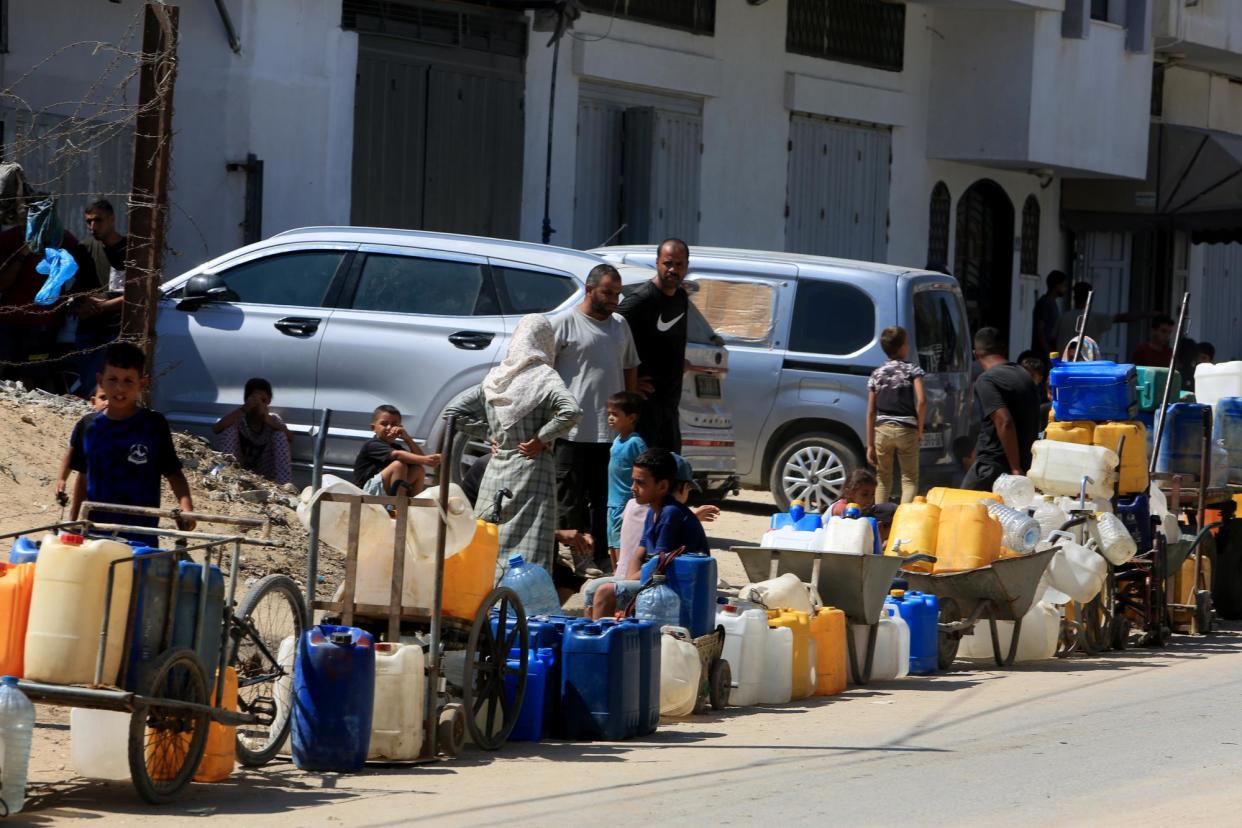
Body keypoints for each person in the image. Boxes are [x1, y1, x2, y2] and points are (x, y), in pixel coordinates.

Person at [444, 314, 582, 582]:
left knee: (490, 538)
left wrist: (489, 433)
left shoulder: (496, 379)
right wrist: (541, 438)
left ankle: (485, 600)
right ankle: (522, 607)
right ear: (545, 342)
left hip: (496, 472)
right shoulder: (545, 377)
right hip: (533, 472)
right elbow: (571, 411)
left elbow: (453, 413)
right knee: (529, 546)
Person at [553, 263, 639, 575]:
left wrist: (631, 413)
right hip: (572, 431)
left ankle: (603, 555)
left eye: (618, 293)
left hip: (611, 433)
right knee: (570, 497)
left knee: (607, 498)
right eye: (608, 292)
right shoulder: (564, 323)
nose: (615, 299)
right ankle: (577, 557)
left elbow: (630, 367)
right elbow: (545, 371)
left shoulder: (620, 326)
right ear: (590, 290)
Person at [68, 341, 195, 539]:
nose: (120, 388)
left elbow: (174, 474)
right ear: (100, 381)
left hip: (140, 536)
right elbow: (83, 477)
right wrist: (74, 524)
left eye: (128, 380)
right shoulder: (88, 426)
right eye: (113, 379)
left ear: (141, 384)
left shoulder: (153, 425)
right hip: (95, 533)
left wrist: (187, 509)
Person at [587, 450, 710, 621]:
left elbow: (658, 565)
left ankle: (600, 644)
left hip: (674, 588)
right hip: (651, 579)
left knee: (605, 592)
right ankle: (587, 638)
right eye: (633, 481)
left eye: (640, 483)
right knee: (592, 589)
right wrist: (628, 582)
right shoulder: (653, 510)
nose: (633, 488)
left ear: (662, 486)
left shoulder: (670, 513)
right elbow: (639, 554)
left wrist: (626, 586)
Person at [616, 238, 690, 452]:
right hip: (644, 407)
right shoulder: (640, 300)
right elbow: (607, 335)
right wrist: (630, 380)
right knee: (645, 471)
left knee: (669, 471)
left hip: (671, 404)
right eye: (667, 263)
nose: (672, 269)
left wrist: (679, 361)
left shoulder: (681, 297)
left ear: (686, 266)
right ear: (657, 263)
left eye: (679, 264)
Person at [0, 223, 94, 390]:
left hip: (44, 324)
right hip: (10, 322)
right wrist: (24, 252)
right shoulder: (10, 239)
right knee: (6, 375)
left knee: (34, 378)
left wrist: (69, 299)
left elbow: (85, 274)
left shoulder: (63, 239)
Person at [962, 327, 1042, 492]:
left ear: (975, 354)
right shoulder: (1024, 374)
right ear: (1004, 349)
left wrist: (1015, 467)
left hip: (993, 467)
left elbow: (1004, 421)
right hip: (1025, 463)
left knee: (960, 511)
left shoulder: (986, 380)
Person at [73, 199, 127, 397]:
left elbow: (140, 293)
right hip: (89, 327)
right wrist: (80, 303)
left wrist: (105, 306)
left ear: (112, 220)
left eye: (98, 220)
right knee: (90, 382)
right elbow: (76, 287)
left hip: (116, 330)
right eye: (89, 222)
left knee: (106, 386)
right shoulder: (85, 248)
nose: (92, 226)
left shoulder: (130, 250)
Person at [866, 325, 925, 504]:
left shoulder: (876, 374)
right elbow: (922, 400)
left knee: (883, 479)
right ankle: (902, 520)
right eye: (906, 343)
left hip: (882, 431)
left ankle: (881, 523)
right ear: (902, 348)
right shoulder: (912, 370)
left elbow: (870, 411)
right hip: (906, 430)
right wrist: (919, 430)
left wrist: (870, 445)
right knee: (909, 480)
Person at [212, 377, 293, 485]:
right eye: (255, 400)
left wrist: (267, 419)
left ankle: (284, 485)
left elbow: (290, 437)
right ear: (247, 400)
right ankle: (226, 478)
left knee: (280, 435)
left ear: (268, 401)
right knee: (229, 429)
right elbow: (216, 428)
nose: (259, 404)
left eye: (263, 401)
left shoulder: (273, 420)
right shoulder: (239, 417)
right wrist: (245, 408)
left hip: (264, 471)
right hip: (238, 467)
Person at [353, 404, 441, 497]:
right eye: (384, 424)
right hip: (365, 492)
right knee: (398, 465)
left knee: (418, 469)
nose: (389, 428)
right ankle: (398, 507)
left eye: (394, 424)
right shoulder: (372, 444)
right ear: (373, 428)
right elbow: (397, 455)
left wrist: (408, 439)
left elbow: (418, 461)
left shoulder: (396, 446)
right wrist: (426, 460)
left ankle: (413, 505)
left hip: (383, 490)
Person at [1053, 281, 1152, 356]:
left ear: (1074, 297)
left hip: (1064, 364)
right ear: (1090, 298)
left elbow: (1053, 339)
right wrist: (1148, 314)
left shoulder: (1063, 317)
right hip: (1086, 367)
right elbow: (1122, 318)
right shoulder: (1094, 318)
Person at [606, 391, 647, 569]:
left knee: (621, 540)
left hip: (625, 501)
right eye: (609, 414)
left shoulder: (635, 443)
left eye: (615, 414)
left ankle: (621, 575)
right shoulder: (617, 440)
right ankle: (616, 575)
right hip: (613, 501)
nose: (610, 418)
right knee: (612, 539)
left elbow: (646, 469)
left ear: (631, 417)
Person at [56, 384, 108, 504]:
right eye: (103, 397)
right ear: (93, 401)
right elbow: (73, 455)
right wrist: (62, 479)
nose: (107, 402)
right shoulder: (86, 424)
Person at [1031, 270, 1069, 355]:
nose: (1066, 289)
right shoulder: (1045, 303)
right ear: (1057, 285)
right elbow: (1040, 331)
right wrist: (1048, 352)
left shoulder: (1052, 303)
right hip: (1042, 353)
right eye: (1064, 285)